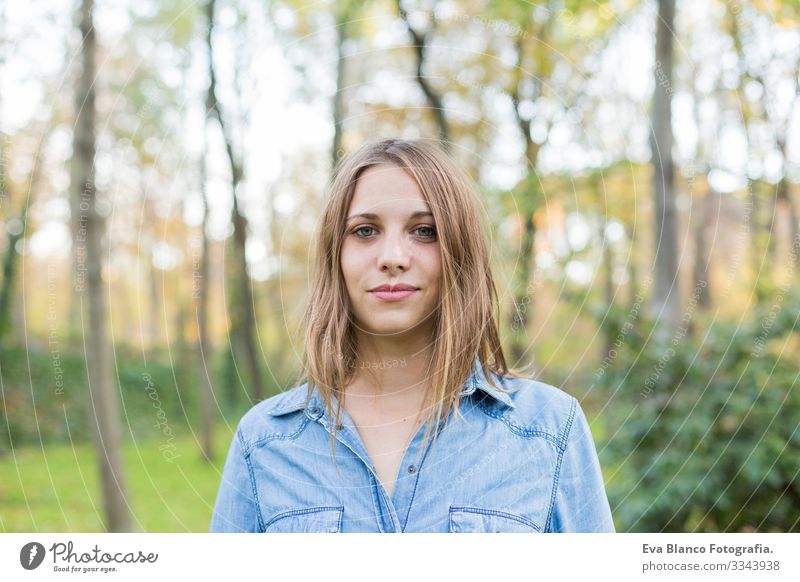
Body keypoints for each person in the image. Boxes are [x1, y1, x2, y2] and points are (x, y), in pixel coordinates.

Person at [209, 138, 615, 533]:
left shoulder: (549, 429)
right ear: (337, 255)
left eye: (423, 231)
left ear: (459, 251)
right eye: (365, 231)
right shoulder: (263, 442)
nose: (392, 259)